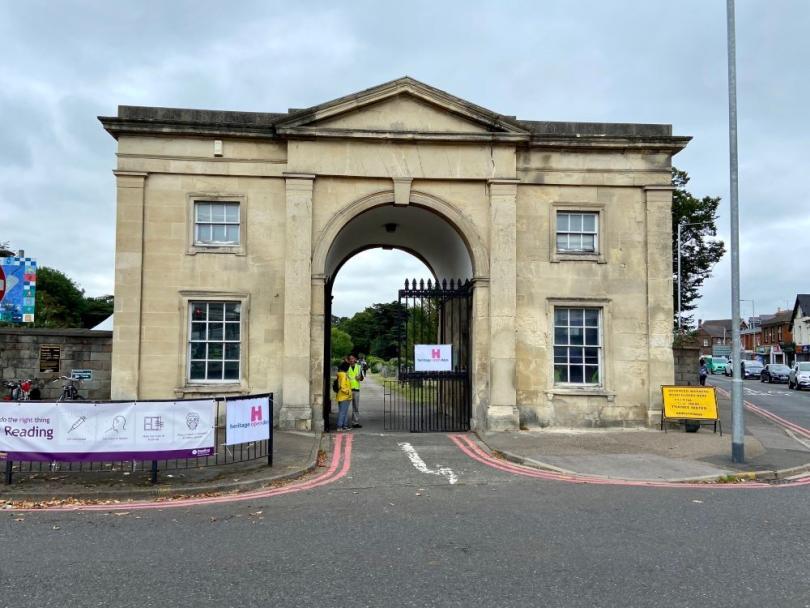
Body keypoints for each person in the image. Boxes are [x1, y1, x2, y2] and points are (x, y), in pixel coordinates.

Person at [347, 354, 364, 428]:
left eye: (353, 358)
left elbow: (362, 378)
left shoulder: (359, 367)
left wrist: (360, 377)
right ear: (349, 360)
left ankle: (355, 423)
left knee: (355, 407)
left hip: (356, 390)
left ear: (355, 359)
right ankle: (344, 423)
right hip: (348, 390)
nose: (351, 360)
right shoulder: (346, 367)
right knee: (345, 407)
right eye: (350, 359)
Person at [334, 361, 353, 431]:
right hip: (344, 396)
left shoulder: (341, 374)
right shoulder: (344, 375)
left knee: (344, 412)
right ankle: (339, 426)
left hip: (341, 396)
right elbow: (343, 386)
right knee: (342, 412)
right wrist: (348, 393)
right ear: (347, 368)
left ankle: (345, 425)